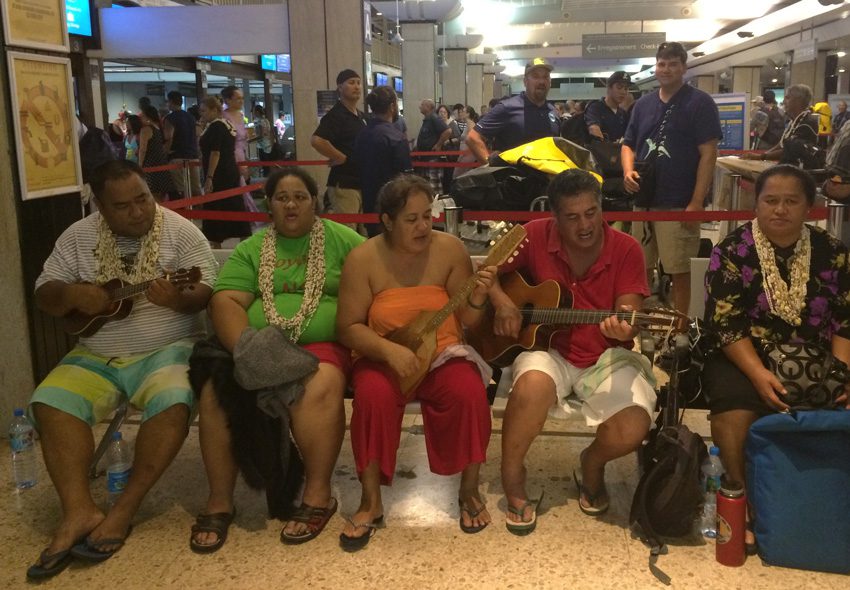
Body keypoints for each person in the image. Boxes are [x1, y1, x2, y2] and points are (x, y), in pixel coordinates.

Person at [24, 160, 217, 581]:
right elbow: (45, 292)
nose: (139, 211)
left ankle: (124, 508)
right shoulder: (78, 236)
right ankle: (79, 511)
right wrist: (74, 293)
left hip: (167, 349)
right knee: (49, 402)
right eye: (124, 205)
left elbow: (205, 292)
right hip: (95, 353)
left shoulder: (180, 232)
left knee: (172, 401)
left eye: (143, 199)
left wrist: (177, 300)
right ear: (100, 207)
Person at [188, 167, 364, 553]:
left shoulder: (344, 241)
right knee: (215, 396)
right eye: (282, 197)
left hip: (322, 350)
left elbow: (372, 285)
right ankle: (219, 501)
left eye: (300, 196)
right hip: (255, 348)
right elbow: (226, 301)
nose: (291, 204)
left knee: (320, 388)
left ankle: (318, 495)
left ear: (315, 202)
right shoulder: (252, 250)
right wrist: (252, 354)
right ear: (269, 205)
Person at [335, 174, 496, 551]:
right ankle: (370, 499)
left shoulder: (451, 250)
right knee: (372, 395)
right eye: (411, 219)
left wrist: (479, 297)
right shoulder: (363, 258)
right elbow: (347, 327)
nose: (424, 226)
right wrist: (389, 352)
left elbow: (469, 322)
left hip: (441, 354)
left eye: (428, 215)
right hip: (383, 354)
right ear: (387, 221)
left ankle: (469, 490)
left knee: (469, 390)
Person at [489, 169, 654, 535]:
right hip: (547, 348)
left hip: (607, 355)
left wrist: (624, 327)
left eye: (592, 212)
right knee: (530, 386)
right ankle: (513, 477)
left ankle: (591, 464)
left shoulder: (627, 249)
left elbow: (628, 313)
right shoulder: (532, 234)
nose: (585, 225)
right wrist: (503, 303)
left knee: (634, 425)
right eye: (572, 216)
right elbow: (485, 272)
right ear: (554, 216)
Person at [701, 164, 850, 553]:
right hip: (744, 355)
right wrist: (757, 375)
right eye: (771, 200)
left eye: (791, 201)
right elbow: (726, 325)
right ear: (757, 203)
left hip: (816, 354)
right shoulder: (732, 251)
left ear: (809, 207)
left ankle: (828, 503)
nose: (780, 210)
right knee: (733, 411)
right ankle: (741, 500)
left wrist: (842, 374)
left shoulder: (832, 253)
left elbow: (844, 323)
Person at [622, 41, 722, 317]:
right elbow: (628, 143)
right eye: (662, 64)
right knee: (640, 265)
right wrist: (627, 170)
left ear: (683, 68)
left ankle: (681, 327)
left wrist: (697, 201)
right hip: (644, 199)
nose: (666, 69)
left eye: (673, 64)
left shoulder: (699, 103)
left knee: (679, 268)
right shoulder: (643, 105)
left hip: (678, 202)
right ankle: (637, 322)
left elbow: (708, 153)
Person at [466, 58, 560, 164]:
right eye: (535, 77)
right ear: (525, 81)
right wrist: (490, 165)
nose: (542, 81)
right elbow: (472, 138)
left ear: (550, 82)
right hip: (513, 178)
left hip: (547, 177)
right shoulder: (507, 107)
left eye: (545, 77)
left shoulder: (552, 112)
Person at [311, 69, 367, 223]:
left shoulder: (361, 116)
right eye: (351, 83)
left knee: (362, 235)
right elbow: (317, 140)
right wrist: (340, 157)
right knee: (347, 233)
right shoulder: (336, 115)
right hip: (344, 184)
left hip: (360, 182)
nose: (356, 87)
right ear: (340, 87)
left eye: (358, 83)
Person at [353, 85, 411, 230]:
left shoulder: (362, 134)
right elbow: (405, 177)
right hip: (393, 203)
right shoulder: (396, 137)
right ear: (392, 106)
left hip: (368, 202)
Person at [198, 96, 250, 247]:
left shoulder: (217, 126)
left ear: (214, 110)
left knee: (218, 205)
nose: (202, 114)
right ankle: (237, 240)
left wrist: (209, 177)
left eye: (204, 111)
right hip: (228, 171)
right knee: (233, 205)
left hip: (220, 174)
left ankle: (217, 241)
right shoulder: (224, 124)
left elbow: (215, 153)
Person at [743, 85, 819, 166]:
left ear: (798, 100)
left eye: (787, 98)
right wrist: (762, 155)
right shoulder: (793, 120)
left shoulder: (806, 123)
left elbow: (789, 151)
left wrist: (761, 156)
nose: (783, 101)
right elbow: (782, 144)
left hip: (797, 172)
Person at [221, 85, 261, 220]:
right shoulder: (224, 117)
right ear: (228, 100)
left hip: (241, 153)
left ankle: (245, 216)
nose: (241, 101)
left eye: (242, 98)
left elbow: (243, 140)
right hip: (230, 154)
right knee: (237, 185)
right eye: (237, 99)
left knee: (243, 184)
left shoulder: (241, 115)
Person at [163, 90, 202, 198]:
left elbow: (168, 137)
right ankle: (199, 213)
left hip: (177, 157)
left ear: (171, 102)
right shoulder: (190, 117)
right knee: (196, 189)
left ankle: (185, 212)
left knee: (181, 190)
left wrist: (165, 153)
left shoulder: (170, 118)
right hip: (193, 156)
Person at [138, 104, 177, 202]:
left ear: (147, 116)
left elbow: (143, 149)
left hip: (150, 164)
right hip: (161, 162)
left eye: (142, 116)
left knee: (151, 193)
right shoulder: (159, 128)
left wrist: (140, 165)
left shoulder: (146, 129)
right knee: (161, 193)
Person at [415, 99, 452, 194]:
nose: (420, 106)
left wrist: (438, 144)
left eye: (422, 105)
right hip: (426, 159)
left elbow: (448, 131)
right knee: (428, 186)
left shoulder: (434, 118)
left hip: (432, 158)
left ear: (428, 107)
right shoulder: (427, 119)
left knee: (434, 187)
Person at [585, 71, 631, 142]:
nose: (623, 92)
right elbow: (593, 129)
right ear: (609, 88)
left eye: (626, 89)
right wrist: (607, 147)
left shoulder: (623, 114)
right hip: (600, 151)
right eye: (619, 87)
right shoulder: (595, 107)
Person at [251, 104, 274, 176]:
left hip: (262, 146)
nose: (253, 113)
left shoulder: (258, 122)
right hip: (268, 145)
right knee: (267, 165)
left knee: (264, 166)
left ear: (257, 112)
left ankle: (266, 181)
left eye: (254, 111)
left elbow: (260, 135)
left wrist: (249, 140)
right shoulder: (266, 120)